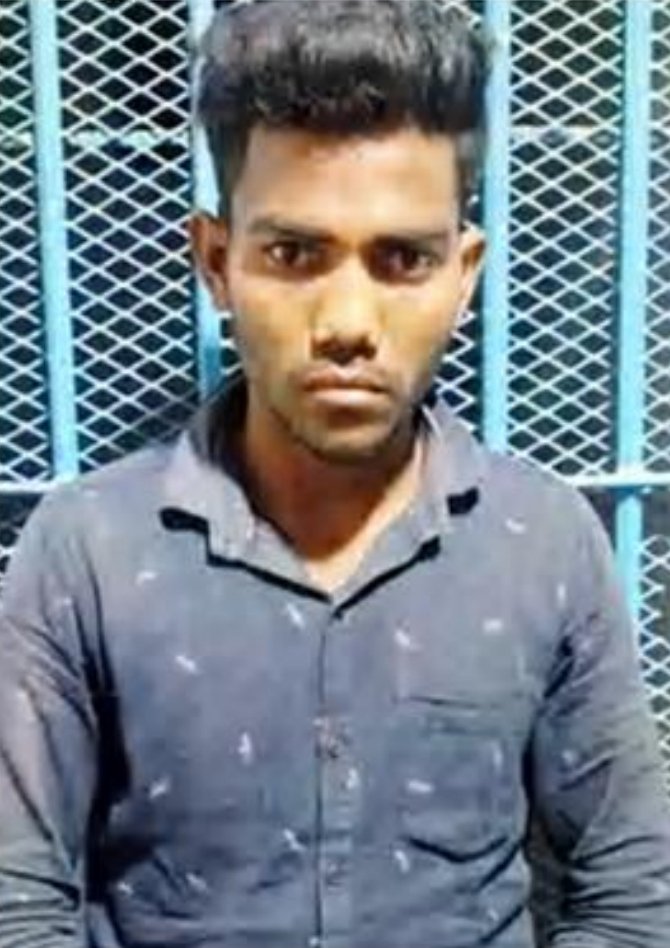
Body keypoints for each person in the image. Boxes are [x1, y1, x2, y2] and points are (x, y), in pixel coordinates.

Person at [1, 1, 669, 945]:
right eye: (293, 254)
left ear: (463, 274)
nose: (348, 322)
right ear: (218, 262)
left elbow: (634, 894)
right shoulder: (86, 551)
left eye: (403, 259)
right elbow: (18, 905)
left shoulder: (544, 541)